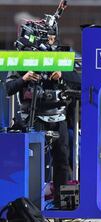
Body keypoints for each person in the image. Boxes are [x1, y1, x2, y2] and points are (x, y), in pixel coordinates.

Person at [6, 33, 71, 207]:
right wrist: (24, 78)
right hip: (33, 117)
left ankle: (63, 206)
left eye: (52, 38)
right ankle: (32, 206)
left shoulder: (60, 57)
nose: (50, 41)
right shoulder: (22, 58)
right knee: (35, 162)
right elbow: (8, 88)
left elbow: (78, 84)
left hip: (59, 116)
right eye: (46, 37)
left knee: (63, 161)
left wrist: (62, 76)